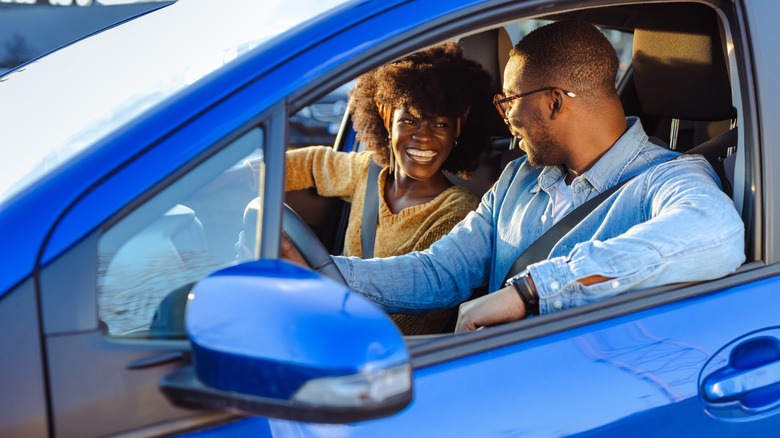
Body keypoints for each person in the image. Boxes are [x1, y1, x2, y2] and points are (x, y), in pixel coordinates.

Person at [308, 20, 745, 333]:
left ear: (554, 102)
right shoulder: (518, 178)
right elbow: (440, 271)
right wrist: (324, 272)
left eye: (508, 101)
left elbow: (715, 233)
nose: (506, 119)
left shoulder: (667, 179)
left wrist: (531, 292)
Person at [276, 42, 495, 334]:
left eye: (440, 124)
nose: (424, 138)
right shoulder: (366, 171)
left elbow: (416, 317)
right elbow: (310, 164)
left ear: (459, 125)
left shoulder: (458, 212)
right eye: (409, 120)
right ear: (384, 112)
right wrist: (236, 180)